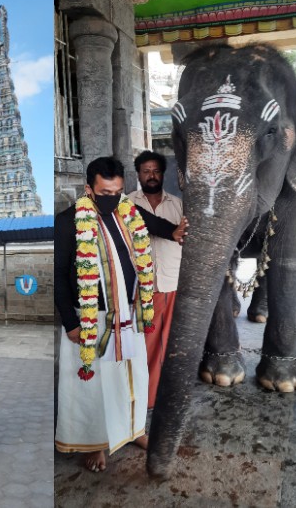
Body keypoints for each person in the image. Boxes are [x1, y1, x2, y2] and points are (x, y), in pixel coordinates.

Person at [53, 156, 186, 473]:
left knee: (133, 377)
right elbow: (58, 274)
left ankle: (133, 430)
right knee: (96, 385)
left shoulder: (127, 211)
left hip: (129, 313)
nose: (112, 199)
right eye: (105, 193)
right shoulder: (68, 221)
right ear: (89, 189)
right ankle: (97, 443)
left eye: (117, 191)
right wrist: (71, 324)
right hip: (91, 319)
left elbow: (152, 226)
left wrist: (175, 232)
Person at [128, 151, 183, 409]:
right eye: (146, 171)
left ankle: (166, 395)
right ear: (138, 175)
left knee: (172, 343)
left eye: (156, 171)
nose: (151, 176)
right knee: (146, 344)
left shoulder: (179, 205)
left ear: (163, 174)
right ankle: (145, 399)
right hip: (142, 288)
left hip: (172, 283)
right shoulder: (126, 204)